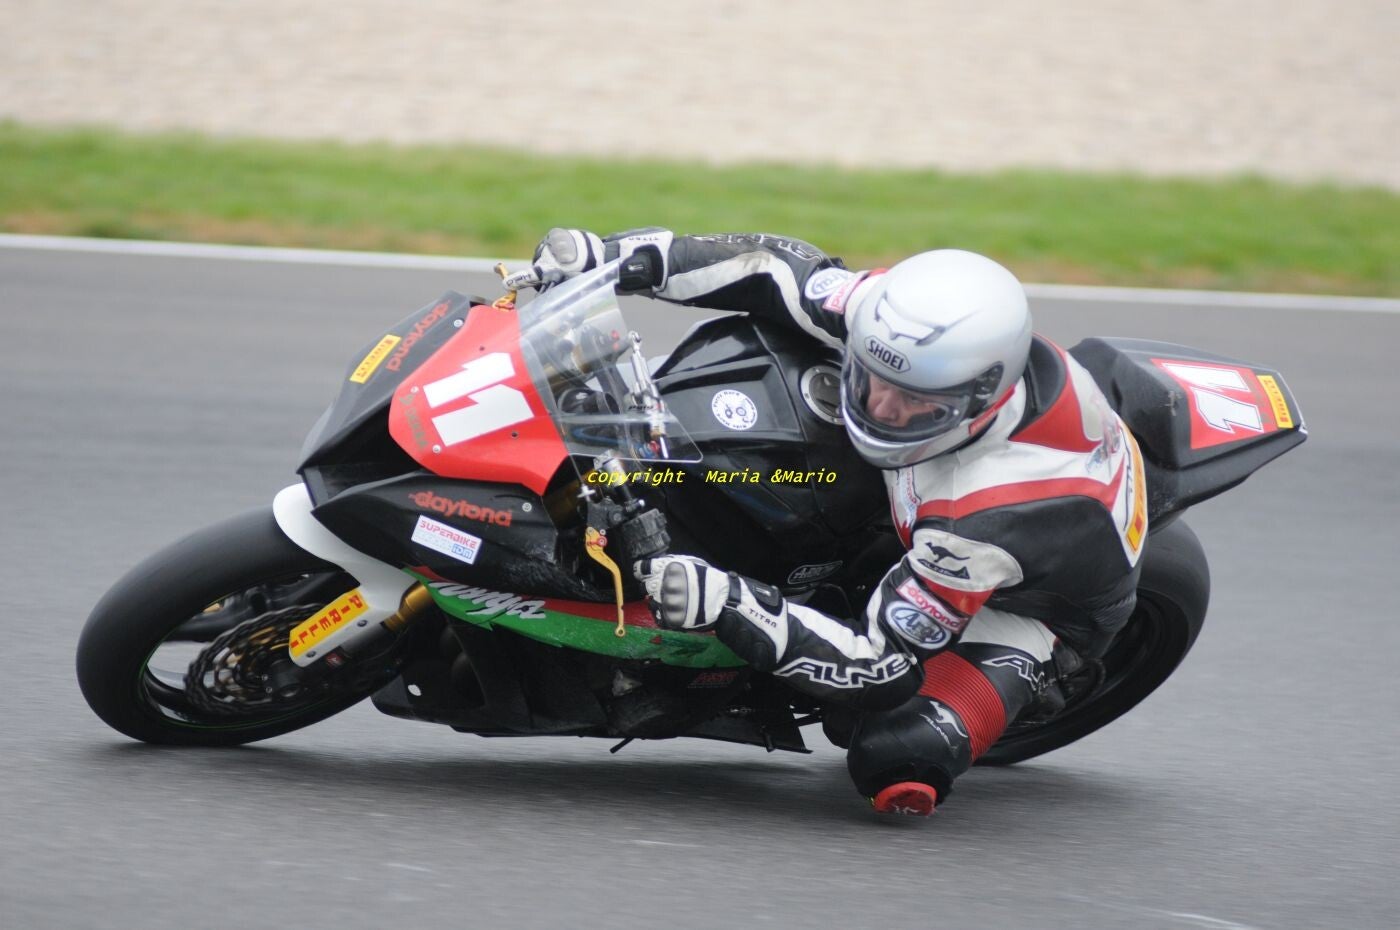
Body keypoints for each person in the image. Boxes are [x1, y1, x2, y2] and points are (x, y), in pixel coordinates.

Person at [514, 228, 1149, 816]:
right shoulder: (903, 330)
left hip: (1027, 603)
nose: (881, 407)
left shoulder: (983, 522)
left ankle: (1039, 671)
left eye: (913, 402)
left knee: (892, 755)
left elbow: (879, 667)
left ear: (978, 398)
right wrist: (613, 258)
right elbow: (770, 268)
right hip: (928, 484)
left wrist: (729, 601)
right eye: (871, 379)